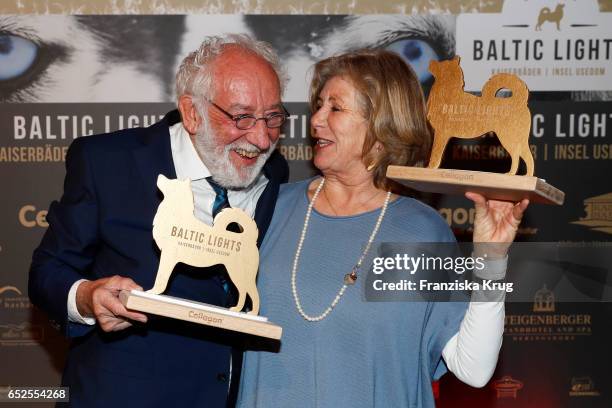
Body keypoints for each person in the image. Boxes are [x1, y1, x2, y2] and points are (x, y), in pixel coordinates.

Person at [237, 49, 529, 407]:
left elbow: (474, 369)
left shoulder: (420, 232)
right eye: (319, 104)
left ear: (381, 127)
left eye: (336, 108)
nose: (315, 120)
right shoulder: (267, 209)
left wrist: (491, 258)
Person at [28, 34, 289, 407]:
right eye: (242, 117)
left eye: (273, 116)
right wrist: (86, 297)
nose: (262, 139)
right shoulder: (108, 162)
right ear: (193, 112)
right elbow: (48, 270)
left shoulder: (275, 173)